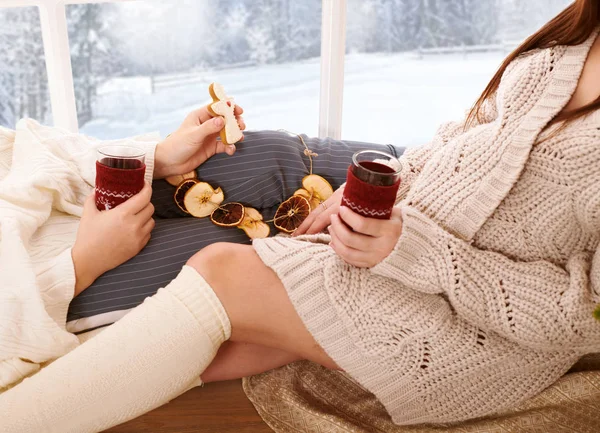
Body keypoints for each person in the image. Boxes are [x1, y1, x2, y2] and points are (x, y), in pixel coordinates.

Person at [1, 1, 600, 431]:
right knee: (219, 344)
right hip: (397, 240)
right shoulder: (581, 30)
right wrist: (390, 193)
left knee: (222, 273)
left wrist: (411, 250)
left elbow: (585, 318)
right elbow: (470, 135)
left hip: (474, 328)